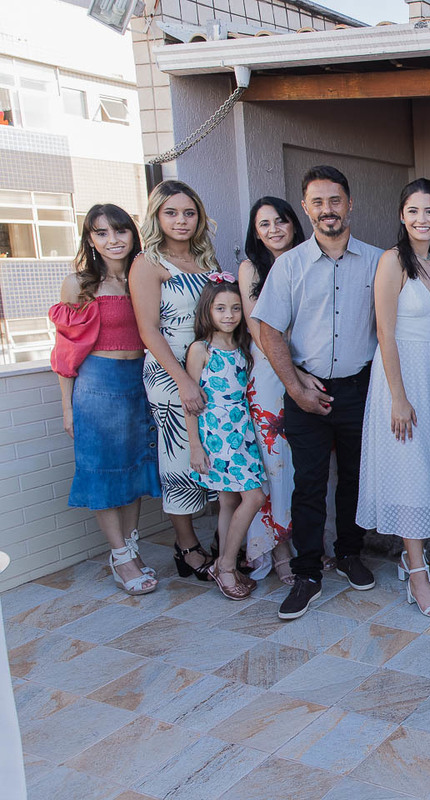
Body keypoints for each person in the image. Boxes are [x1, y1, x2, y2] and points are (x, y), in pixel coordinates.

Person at [252, 165, 384, 620]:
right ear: (306, 208)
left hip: (360, 387)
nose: (328, 210)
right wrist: (295, 385)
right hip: (305, 387)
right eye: (318, 202)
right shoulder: (289, 266)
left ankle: (349, 553)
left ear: (350, 204)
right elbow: (268, 329)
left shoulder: (378, 260)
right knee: (307, 483)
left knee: (353, 478)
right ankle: (307, 574)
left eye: (335, 201)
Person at [357, 178, 430, 618]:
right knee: (410, 470)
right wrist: (398, 398)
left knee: (427, 468)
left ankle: (410, 558)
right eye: (413, 211)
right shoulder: (391, 261)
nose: (422, 219)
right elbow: (384, 331)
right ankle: (417, 574)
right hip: (399, 376)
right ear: (402, 215)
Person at [50, 204, 161, 596]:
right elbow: (65, 353)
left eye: (120, 231)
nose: (112, 240)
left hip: (139, 383)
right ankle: (119, 557)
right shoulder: (79, 284)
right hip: (97, 385)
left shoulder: (143, 275)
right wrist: (67, 407)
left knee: (131, 470)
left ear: (133, 235)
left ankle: (130, 548)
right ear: (90, 239)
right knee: (102, 472)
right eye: (101, 233)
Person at [130, 180, 222, 583]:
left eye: (189, 212)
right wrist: (184, 380)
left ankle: (224, 540)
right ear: (157, 217)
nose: (181, 220)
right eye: (171, 213)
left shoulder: (206, 259)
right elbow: (149, 331)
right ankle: (186, 548)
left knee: (216, 450)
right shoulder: (148, 263)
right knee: (181, 460)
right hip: (171, 373)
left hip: (212, 368)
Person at [184, 277, 266, 600]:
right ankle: (227, 566)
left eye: (235, 308)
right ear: (208, 310)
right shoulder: (200, 350)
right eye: (221, 308)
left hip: (242, 431)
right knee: (255, 497)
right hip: (217, 436)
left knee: (230, 500)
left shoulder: (243, 347)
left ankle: (223, 562)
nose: (229, 315)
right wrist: (195, 447)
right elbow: (189, 402)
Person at [239, 197, 305, 585]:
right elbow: (257, 328)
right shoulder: (252, 269)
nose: (274, 229)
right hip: (269, 374)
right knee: (276, 464)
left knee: (306, 466)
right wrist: (292, 373)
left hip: (309, 372)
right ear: (256, 232)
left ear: (294, 224)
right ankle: (279, 550)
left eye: (280, 221)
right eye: (264, 224)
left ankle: (311, 542)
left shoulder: (306, 260)